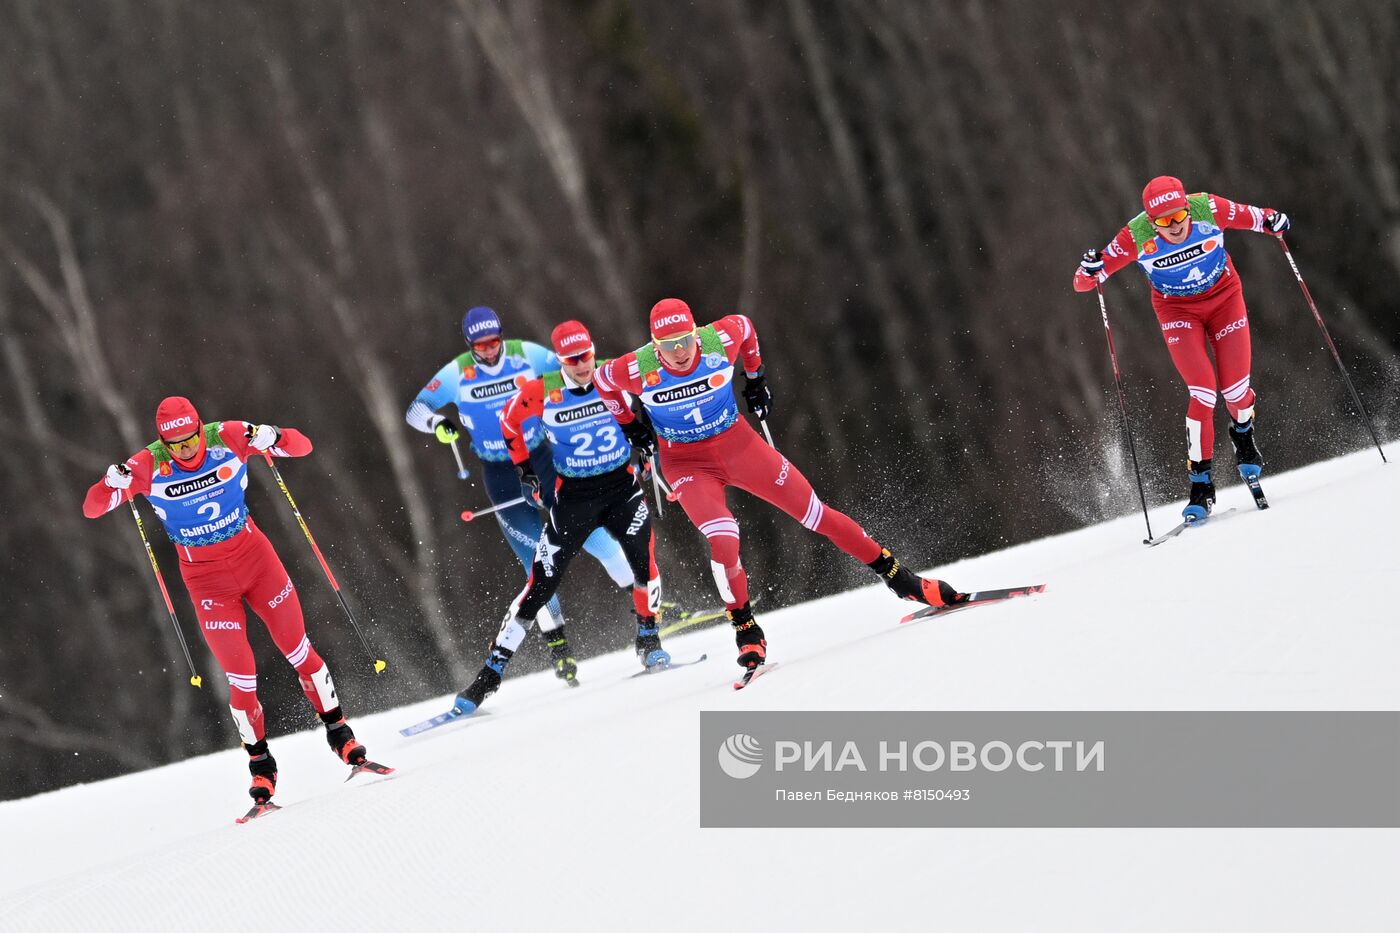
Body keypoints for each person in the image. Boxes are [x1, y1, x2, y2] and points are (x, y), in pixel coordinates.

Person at [592, 299, 966, 674]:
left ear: (695, 334)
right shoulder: (635, 368)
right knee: (724, 539)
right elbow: (601, 381)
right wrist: (630, 425)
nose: (678, 352)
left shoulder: (720, 339)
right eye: (668, 345)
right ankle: (746, 628)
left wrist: (755, 379)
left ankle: (902, 580)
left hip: (738, 445)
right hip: (688, 464)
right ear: (654, 346)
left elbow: (747, 327)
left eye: (685, 341)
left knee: (817, 515)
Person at [82, 396, 375, 809]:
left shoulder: (230, 436)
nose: (184, 451)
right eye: (175, 445)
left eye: (190, 441)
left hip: (256, 561)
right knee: (241, 676)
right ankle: (261, 766)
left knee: (297, 646)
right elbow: (92, 508)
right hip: (206, 582)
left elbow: (302, 446)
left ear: (200, 429)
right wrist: (110, 483)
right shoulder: (148, 465)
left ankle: (341, 735)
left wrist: (277, 436)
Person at [453, 320, 668, 714]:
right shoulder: (543, 390)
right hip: (574, 499)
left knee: (644, 564)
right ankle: (490, 674)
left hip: (623, 490)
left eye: (585, 355)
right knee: (540, 583)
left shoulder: (613, 375)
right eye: (572, 360)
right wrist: (525, 470)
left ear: (593, 349)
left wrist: (648, 437)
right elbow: (508, 423)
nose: (582, 365)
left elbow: (654, 395)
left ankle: (649, 640)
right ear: (560, 360)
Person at [404, 306, 636, 667]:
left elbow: (572, 370)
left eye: (494, 341)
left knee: (591, 532)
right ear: (470, 345)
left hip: (540, 458)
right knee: (535, 560)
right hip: (499, 472)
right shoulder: (456, 372)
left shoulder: (526, 354)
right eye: (480, 346)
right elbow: (416, 410)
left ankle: (645, 604)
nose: (490, 351)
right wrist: (437, 423)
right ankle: (559, 647)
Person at [1074, 175, 1289, 520]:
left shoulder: (1208, 207)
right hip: (1177, 311)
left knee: (1235, 390)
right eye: (1163, 221)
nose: (1173, 226)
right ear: (1150, 220)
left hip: (1224, 298)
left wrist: (1273, 221)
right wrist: (1090, 269)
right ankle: (1200, 486)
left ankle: (1244, 439)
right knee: (1203, 392)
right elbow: (1084, 283)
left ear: (1188, 208)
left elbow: (1257, 217)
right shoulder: (1136, 234)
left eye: (1178, 216)